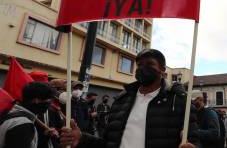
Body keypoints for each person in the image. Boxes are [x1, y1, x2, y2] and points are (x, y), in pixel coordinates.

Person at [60, 48, 199, 148]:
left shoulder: (179, 101)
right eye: (139, 65)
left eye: (149, 64)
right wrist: (82, 139)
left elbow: (194, 141)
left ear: (162, 69)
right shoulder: (121, 101)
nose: (142, 68)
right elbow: (108, 142)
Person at [0, 82, 57, 148]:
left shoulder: (9, 112)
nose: (50, 104)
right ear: (36, 100)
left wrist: (44, 136)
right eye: (49, 101)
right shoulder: (23, 124)